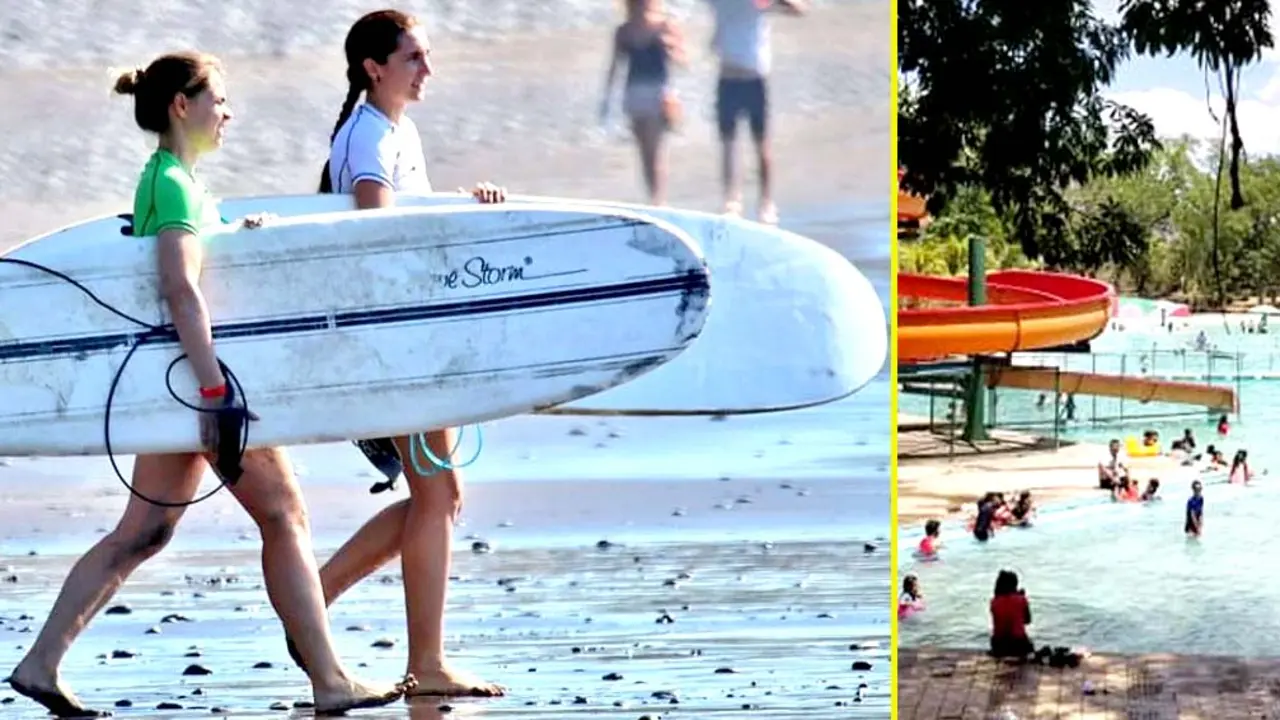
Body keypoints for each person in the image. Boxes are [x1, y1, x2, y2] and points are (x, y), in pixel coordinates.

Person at [5, 52, 408, 718]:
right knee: (283, 516)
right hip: (204, 382)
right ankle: (331, 680)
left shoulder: (174, 180)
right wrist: (217, 391)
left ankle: (39, 663)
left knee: (144, 532)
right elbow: (179, 288)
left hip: (181, 381)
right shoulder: (172, 184)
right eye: (218, 99)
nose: (229, 112)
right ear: (180, 107)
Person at [302, 9, 505, 698]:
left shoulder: (395, 130)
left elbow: (409, 216)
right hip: (396, 345)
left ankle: (313, 599)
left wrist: (465, 206)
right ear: (374, 68)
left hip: (413, 340)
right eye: (414, 57)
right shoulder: (366, 136)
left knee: (439, 495)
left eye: (426, 55)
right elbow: (375, 227)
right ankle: (422, 662)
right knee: (437, 494)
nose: (427, 69)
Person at [702, 0, 807, 224]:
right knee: (729, 143)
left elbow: (798, 10)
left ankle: (766, 202)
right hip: (727, 78)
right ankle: (732, 201)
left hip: (754, 79)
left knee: (762, 145)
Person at [600, 0, 687, 205]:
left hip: (660, 94)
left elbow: (684, 61)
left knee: (655, 149)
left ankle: (659, 199)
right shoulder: (623, 32)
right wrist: (606, 98)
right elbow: (615, 67)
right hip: (634, 95)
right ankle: (654, 197)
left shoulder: (665, 27)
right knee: (644, 151)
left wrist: (672, 49)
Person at [989, 570, 1034, 660]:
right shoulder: (1021, 600)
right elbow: (1027, 620)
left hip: (998, 645)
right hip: (1018, 644)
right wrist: (1022, 599)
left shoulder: (994, 602)